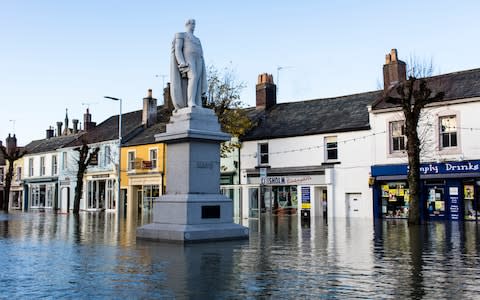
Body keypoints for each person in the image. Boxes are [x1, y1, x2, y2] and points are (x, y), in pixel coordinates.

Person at [170, 19, 207, 111]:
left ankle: (197, 102)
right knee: (193, 77)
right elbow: (178, 49)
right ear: (187, 24)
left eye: (194, 24)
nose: (193, 25)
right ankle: (190, 101)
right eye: (192, 23)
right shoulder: (181, 35)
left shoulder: (197, 39)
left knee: (198, 81)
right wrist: (181, 61)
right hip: (188, 58)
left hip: (198, 59)